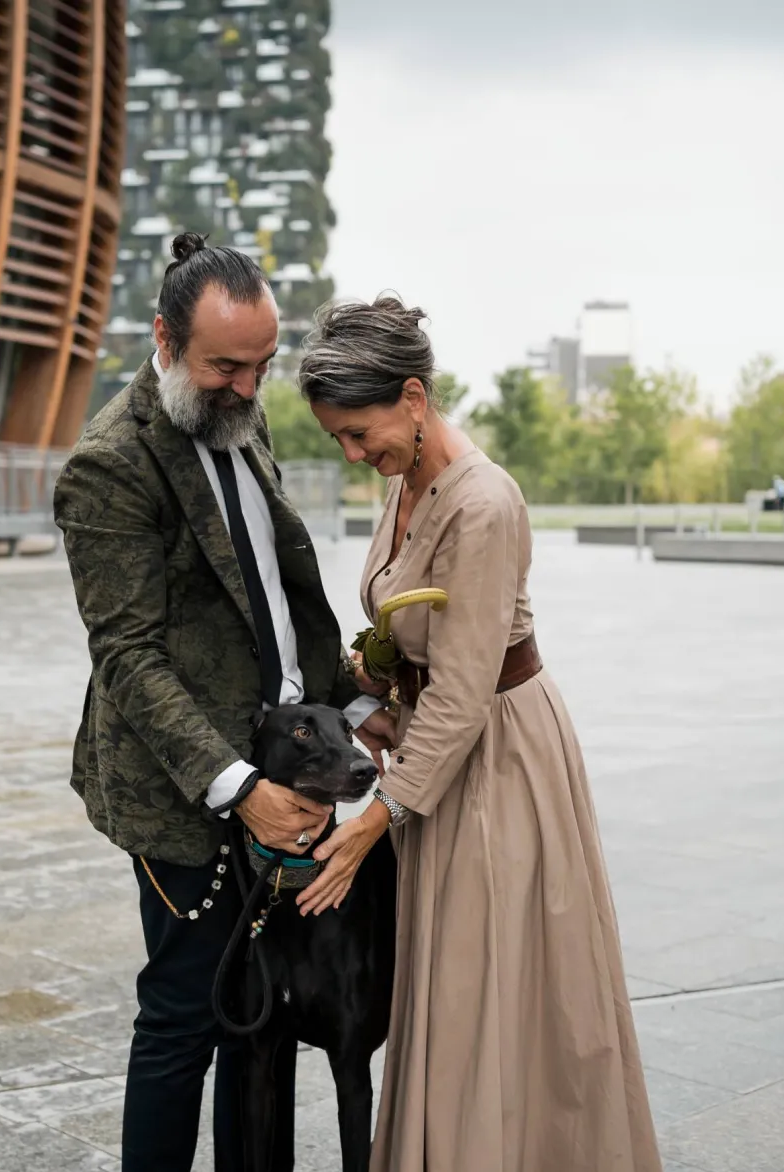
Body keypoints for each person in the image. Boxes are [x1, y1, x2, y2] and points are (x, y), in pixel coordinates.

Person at [293, 296, 663, 1172]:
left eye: (358, 433)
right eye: (338, 439)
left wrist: (375, 819)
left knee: (493, 987)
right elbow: (415, 640)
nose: (353, 455)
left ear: (413, 398)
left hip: (499, 762)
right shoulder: (405, 480)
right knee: (460, 984)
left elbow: (463, 695)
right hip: (442, 755)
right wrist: (371, 690)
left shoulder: (483, 504)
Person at [52, 234, 395, 1172]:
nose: (247, 389)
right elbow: (127, 656)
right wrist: (239, 789)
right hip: (185, 795)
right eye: (225, 369)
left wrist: (348, 702)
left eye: (261, 366)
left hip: (288, 770)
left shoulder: (240, 417)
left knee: (258, 1024)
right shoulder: (110, 464)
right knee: (185, 1019)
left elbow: (274, 599)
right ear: (165, 340)